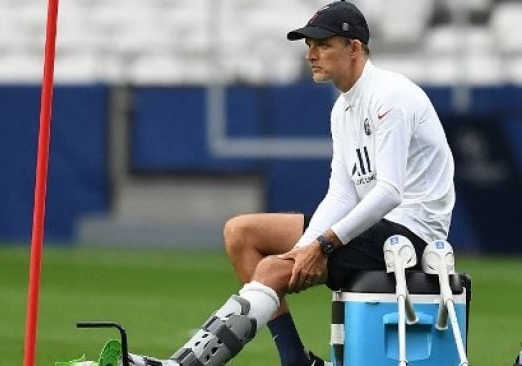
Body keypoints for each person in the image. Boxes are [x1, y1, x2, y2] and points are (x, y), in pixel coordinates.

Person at [86, 1, 455, 365]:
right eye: (309, 45)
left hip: (410, 233)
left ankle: (185, 365)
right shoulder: (342, 108)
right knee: (241, 233)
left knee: (274, 270)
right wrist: (306, 248)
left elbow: (389, 192)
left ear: (354, 48)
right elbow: (342, 193)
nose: (311, 54)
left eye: (323, 44)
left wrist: (322, 245)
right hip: (373, 224)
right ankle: (294, 359)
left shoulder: (389, 96)